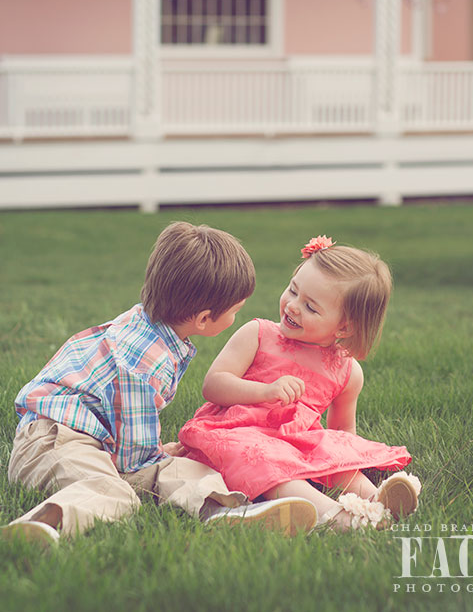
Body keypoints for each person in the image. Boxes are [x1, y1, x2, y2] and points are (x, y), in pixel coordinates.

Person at [1, 222, 318, 548]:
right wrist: (150, 456)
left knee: (187, 469)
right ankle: (36, 527)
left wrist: (156, 455)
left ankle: (225, 511)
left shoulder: (150, 323)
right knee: (115, 492)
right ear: (204, 319)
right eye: (236, 311)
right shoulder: (145, 363)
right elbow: (133, 460)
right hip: (52, 442)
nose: (237, 316)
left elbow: (128, 429)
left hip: (92, 440)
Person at [174, 235, 421, 531]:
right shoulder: (258, 334)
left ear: (344, 326)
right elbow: (213, 385)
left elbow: (342, 432)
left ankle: (376, 499)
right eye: (293, 291)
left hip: (296, 441)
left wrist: (343, 458)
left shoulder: (347, 371)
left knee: (331, 455)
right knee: (266, 459)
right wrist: (265, 391)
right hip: (240, 433)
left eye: (310, 307)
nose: (292, 306)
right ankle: (333, 516)